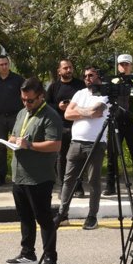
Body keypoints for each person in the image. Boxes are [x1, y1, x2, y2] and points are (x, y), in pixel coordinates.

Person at [5, 77, 63, 264]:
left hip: (39, 177)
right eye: (23, 100)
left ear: (41, 97)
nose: (26, 104)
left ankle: (51, 260)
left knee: (44, 219)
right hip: (19, 175)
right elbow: (14, 135)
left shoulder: (50, 116)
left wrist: (28, 145)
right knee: (25, 217)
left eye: (30, 100)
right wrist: (13, 141)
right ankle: (28, 254)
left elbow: (55, 145)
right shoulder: (22, 113)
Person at [56, 66, 110, 230]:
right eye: (85, 75)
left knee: (93, 181)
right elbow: (67, 115)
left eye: (91, 75)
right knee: (68, 180)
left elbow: (96, 112)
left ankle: (92, 216)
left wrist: (77, 109)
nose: (87, 78)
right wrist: (84, 111)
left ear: (98, 77)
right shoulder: (79, 93)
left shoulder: (106, 95)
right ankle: (62, 214)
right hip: (76, 142)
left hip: (96, 143)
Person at [105, 54, 133, 195]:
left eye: (127, 64)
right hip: (115, 123)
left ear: (131, 66)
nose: (124, 66)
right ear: (118, 66)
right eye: (122, 64)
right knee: (112, 155)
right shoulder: (112, 81)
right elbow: (106, 100)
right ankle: (110, 185)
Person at [45, 59, 86, 197]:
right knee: (61, 158)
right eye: (65, 68)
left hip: (78, 126)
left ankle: (78, 186)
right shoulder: (53, 87)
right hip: (61, 127)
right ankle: (63, 186)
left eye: (70, 67)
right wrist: (59, 106)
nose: (68, 70)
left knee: (79, 157)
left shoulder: (80, 86)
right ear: (59, 71)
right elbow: (46, 105)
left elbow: (87, 102)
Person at [0, 55, 25, 186]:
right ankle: (1, 176)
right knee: (1, 148)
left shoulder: (18, 79)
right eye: (1, 64)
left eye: (6, 64)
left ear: (9, 64)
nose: (4, 66)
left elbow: (24, 97)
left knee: (18, 146)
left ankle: (20, 175)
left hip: (15, 116)